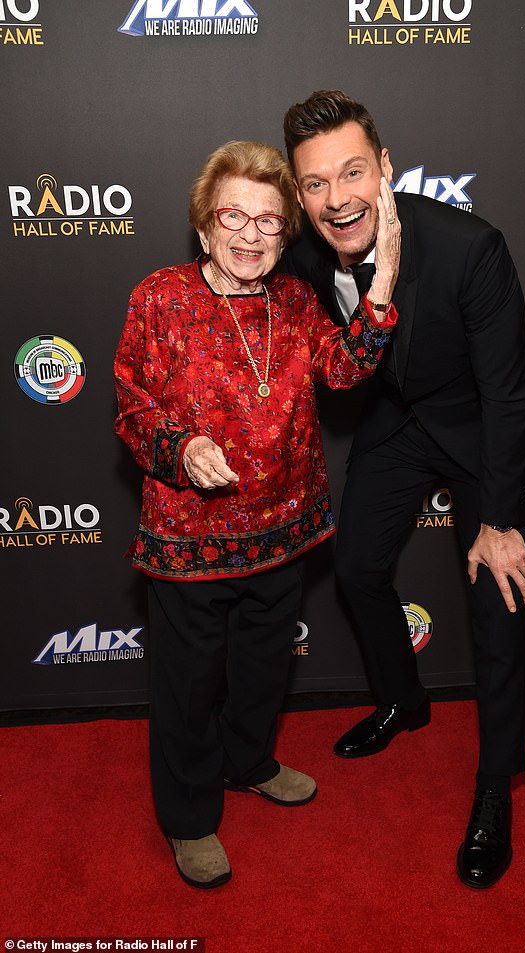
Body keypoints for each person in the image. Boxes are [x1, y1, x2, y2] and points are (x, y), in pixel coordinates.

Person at [114, 139, 400, 889]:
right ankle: (187, 817)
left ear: (285, 232)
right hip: (190, 541)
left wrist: (383, 284)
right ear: (205, 226)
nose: (250, 234)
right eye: (232, 216)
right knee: (187, 686)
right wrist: (182, 447)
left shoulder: (298, 300)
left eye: (268, 221)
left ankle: (249, 762)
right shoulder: (160, 297)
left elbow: (344, 369)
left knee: (262, 672)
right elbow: (133, 409)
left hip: (286, 529)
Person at [281, 91, 525, 889]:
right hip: (394, 421)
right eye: (316, 184)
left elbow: (512, 395)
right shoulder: (299, 254)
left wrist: (498, 518)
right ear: (299, 195)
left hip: (476, 428)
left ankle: (495, 784)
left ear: (385, 167)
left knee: (497, 595)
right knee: (356, 565)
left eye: (353, 171)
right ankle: (405, 700)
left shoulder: (470, 248)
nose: (339, 198)